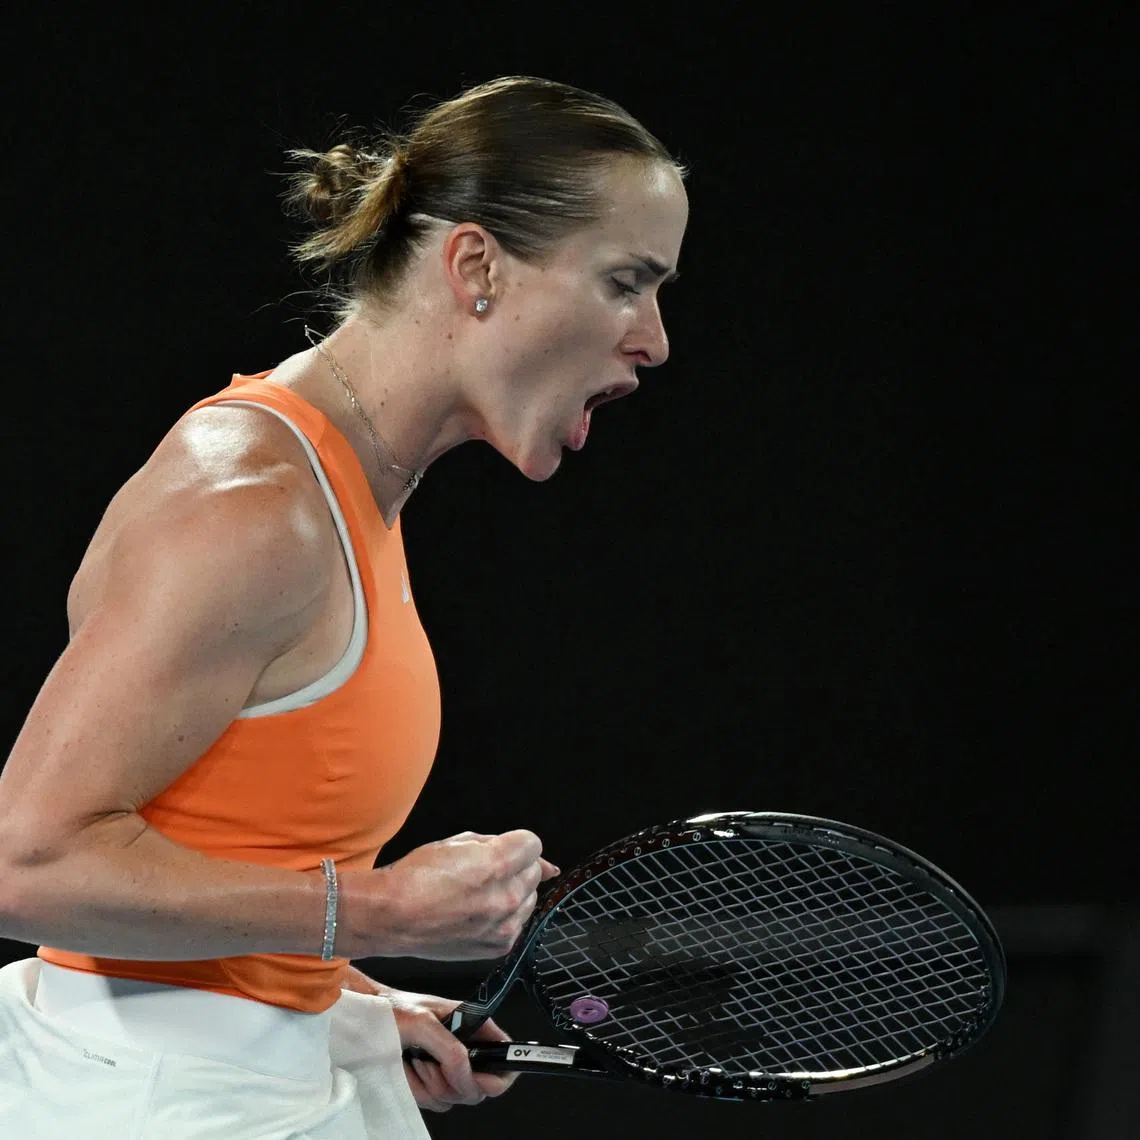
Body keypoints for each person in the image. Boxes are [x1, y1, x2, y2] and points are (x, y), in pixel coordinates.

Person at [0, 74, 689, 1138]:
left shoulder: (354, 485)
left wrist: (356, 1003)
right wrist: (383, 912)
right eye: (624, 282)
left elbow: (227, 843)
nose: (653, 340)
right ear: (477, 267)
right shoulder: (252, 504)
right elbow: (24, 861)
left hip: (233, 1081)